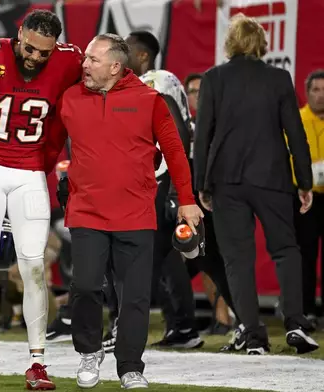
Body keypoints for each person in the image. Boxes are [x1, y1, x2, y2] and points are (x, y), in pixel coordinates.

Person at [48, 33, 202, 389]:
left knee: (135, 295)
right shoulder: (70, 98)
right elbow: (48, 145)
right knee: (85, 287)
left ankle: (131, 366)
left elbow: (175, 151)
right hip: (86, 211)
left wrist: (188, 200)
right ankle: (89, 352)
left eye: (92, 60)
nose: (83, 64)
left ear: (116, 66)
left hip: (135, 212)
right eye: (85, 58)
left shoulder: (150, 100)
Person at [0, 9, 82, 390]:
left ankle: (37, 362)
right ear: (18, 33)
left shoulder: (70, 60)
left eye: (45, 52)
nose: (36, 58)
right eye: (31, 48)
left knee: (35, 267)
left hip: (30, 171)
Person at [193, 14, 319, 355]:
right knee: (286, 250)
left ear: (230, 43)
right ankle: (295, 322)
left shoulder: (213, 78)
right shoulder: (278, 78)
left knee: (237, 258)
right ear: (261, 44)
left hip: (225, 181)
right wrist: (304, 182)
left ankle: (253, 335)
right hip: (272, 178)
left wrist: (200, 184)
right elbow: (296, 134)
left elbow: (202, 136)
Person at [126, 30, 204, 349]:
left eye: (127, 50)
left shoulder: (156, 80)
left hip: (164, 181)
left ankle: (139, 328)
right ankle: (183, 327)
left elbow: (176, 133)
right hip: (163, 179)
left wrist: (173, 190)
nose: (121, 55)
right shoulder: (153, 82)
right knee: (168, 257)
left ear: (143, 55)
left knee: (151, 258)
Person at [293, 69, 324, 320]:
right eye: (316, 90)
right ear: (307, 93)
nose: (321, 95)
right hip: (305, 196)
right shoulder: (296, 119)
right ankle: (306, 310)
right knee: (306, 253)